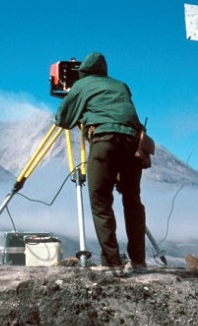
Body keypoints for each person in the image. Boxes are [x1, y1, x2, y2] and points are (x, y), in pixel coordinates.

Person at [55, 52, 147, 275]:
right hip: (133, 143)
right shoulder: (121, 85)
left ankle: (112, 262)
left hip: (105, 141)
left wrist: (74, 99)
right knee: (132, 200)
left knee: (100, 200)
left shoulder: (82, 85)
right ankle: (138, 261)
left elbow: (62, 120)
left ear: (83, 72)